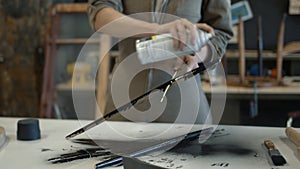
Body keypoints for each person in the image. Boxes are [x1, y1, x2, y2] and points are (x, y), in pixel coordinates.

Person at [87, 0, 233, 124]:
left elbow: (221, 32)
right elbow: (99, 13)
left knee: (191, 155)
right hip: (125, 99)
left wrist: (198, 55)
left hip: (184, 104)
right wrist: (157, 30)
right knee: (117, 155)